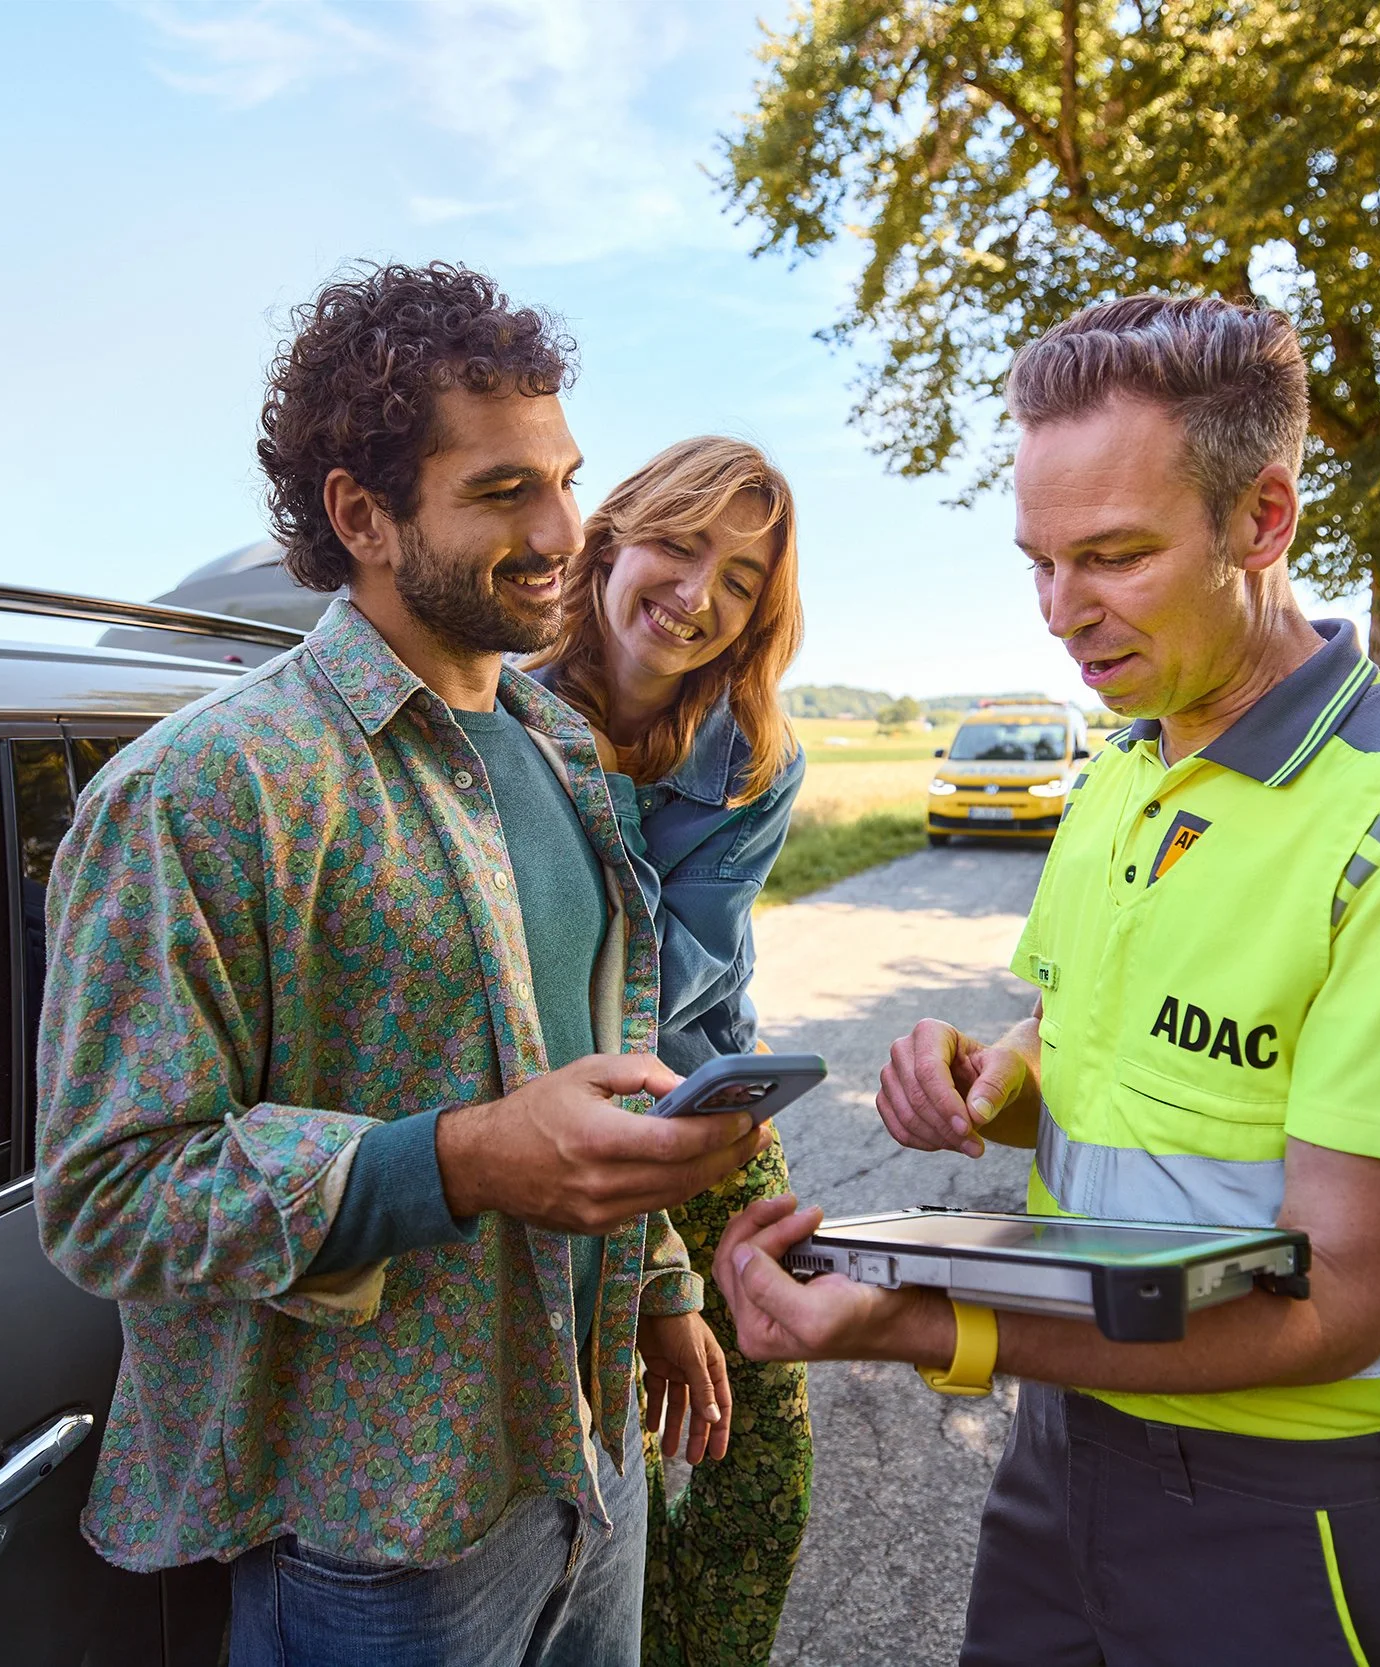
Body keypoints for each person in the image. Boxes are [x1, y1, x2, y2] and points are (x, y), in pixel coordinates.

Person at [710, 295, 1380, 1666]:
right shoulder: (1121, 771)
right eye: (1040, 562)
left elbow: (1341, 1302)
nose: (1064, 613)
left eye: (1114, 556)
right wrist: (997, 1077)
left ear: (1262, 518)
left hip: (1301, 1517)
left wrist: (927, 1320)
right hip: (1066, 1457)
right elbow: (1082, 1043)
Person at [34, 262, 765, 1667]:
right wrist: (461, 1160)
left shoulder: (559, 751)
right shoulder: (207, 789)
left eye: (566, 479)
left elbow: (576, 1062)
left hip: (590, 1447)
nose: (563, 532)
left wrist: (662, 1283)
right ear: (361, 515)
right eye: (502, 491)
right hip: (385, 1537)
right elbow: (109, 1193)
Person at [523, 437, 812, 1667]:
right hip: (553, 1117)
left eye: (740, 580)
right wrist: (655, 1275)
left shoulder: (753, 757)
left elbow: (664, 971)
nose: (698, 595)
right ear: (610, 538)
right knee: (614, 1452)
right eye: (679, 547)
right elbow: (535, 986)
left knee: (758, 1462)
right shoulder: (504, 712)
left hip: (703, 1107)